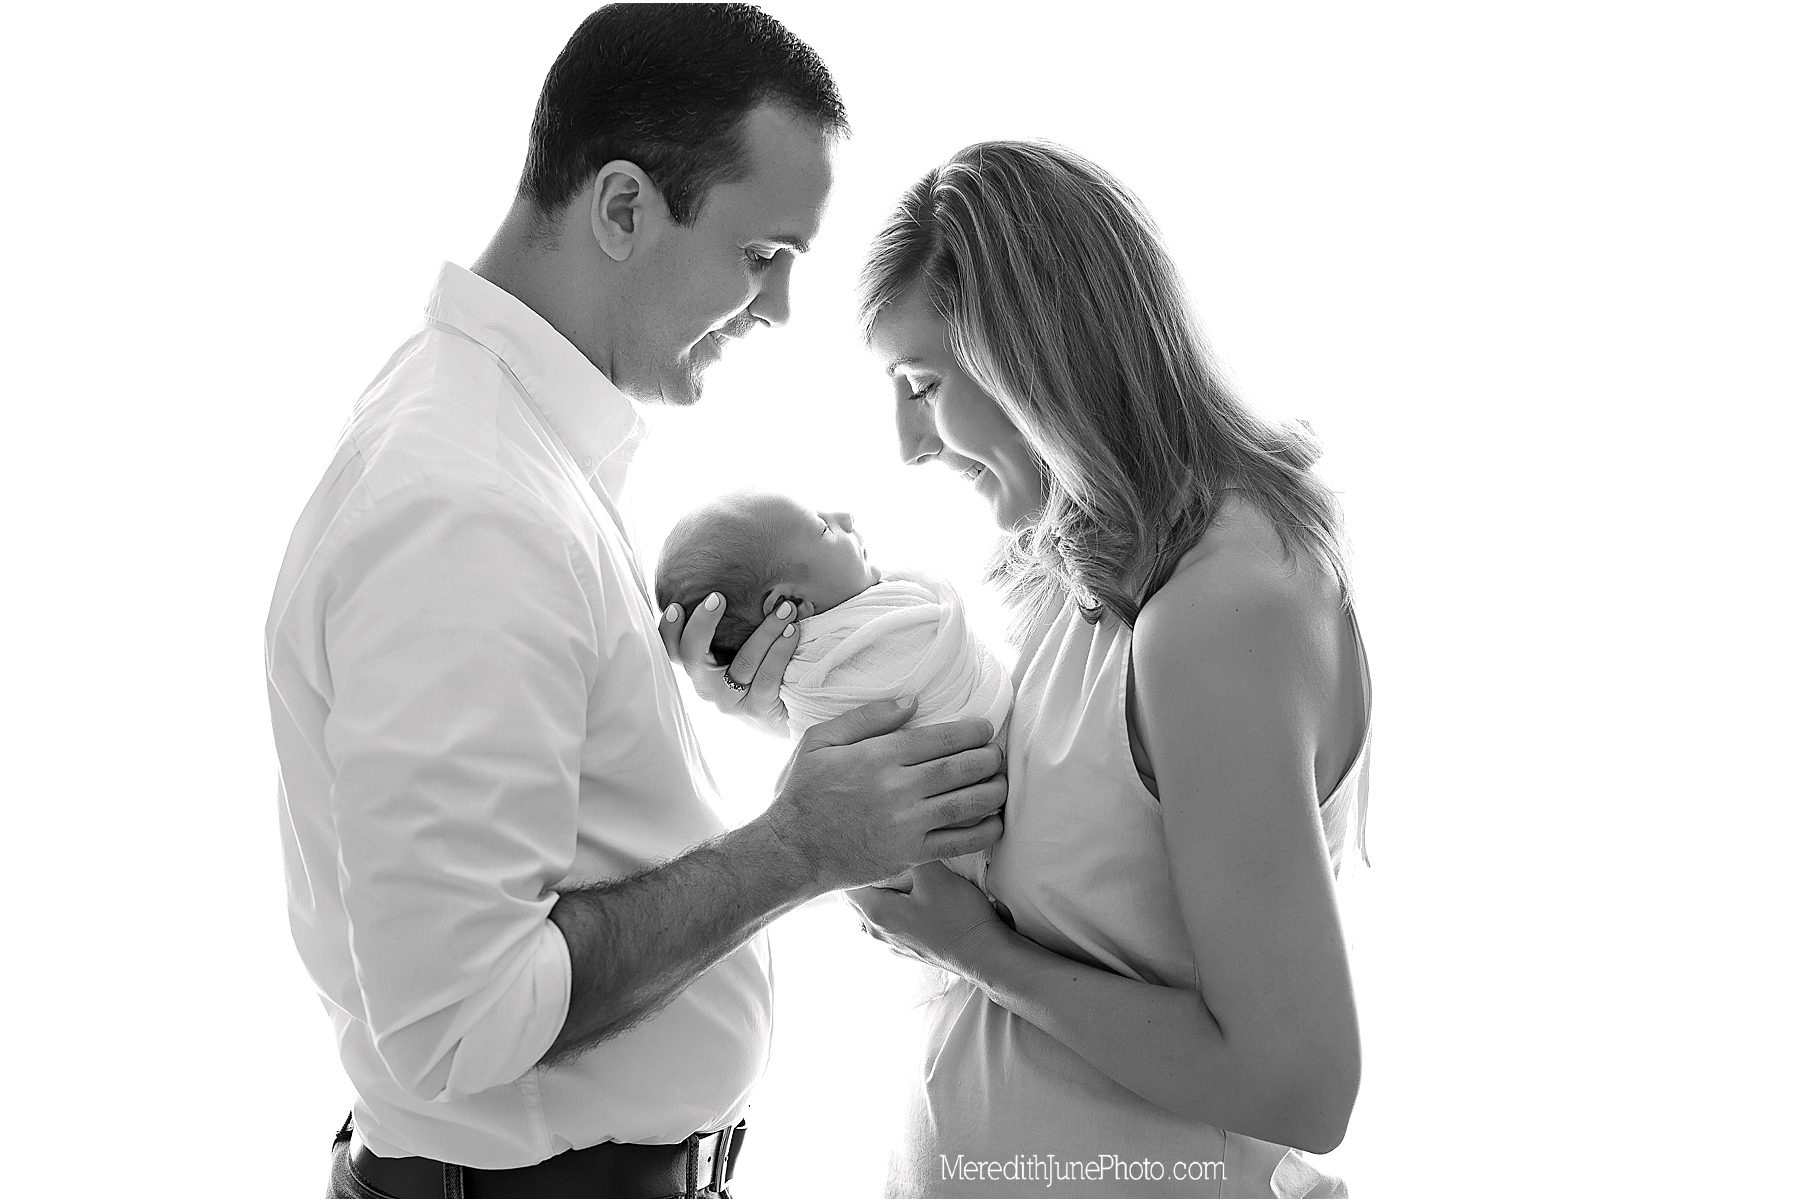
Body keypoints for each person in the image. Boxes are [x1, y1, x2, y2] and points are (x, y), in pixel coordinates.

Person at [264, 7, 1006, 1198]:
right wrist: (797, 846)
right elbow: (461, 1019)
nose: (776, 307)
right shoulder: (468, 506)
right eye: (760, 253)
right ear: (621, 207)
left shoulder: (502, 450)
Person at [669, 140, 1370, 1198]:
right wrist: (792, 701)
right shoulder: (1082, 575)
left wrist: (979, 951)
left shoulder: (1219, 609)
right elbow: (1041, 814)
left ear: (1034, 363)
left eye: (921, 385)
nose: (908, 444)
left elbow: (1300, 1084)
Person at [654, 488, 1014, 886]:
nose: (846, 517)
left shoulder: (810, 663)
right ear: (789, 602)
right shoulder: (823, 662)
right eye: (824, 529)